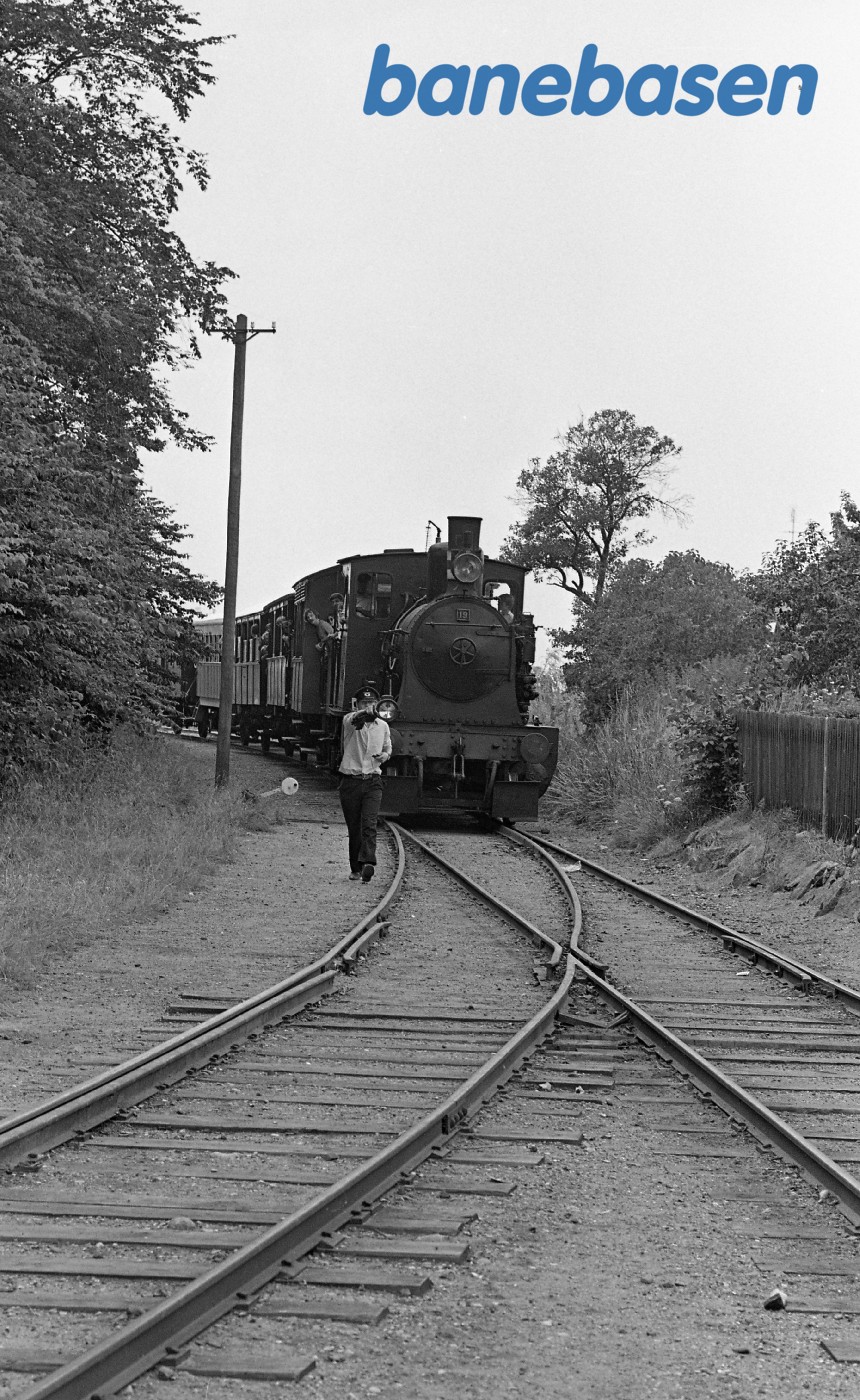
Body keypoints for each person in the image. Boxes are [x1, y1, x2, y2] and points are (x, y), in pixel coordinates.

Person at [338, 685, 392, 883]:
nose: (368, 705)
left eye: (371, 702)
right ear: (357, 704)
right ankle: (356, 868)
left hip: (372, 781)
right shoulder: (350, 722)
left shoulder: (383, 726)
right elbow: (353, 719)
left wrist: (384, 756)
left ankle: (368, 862)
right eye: (364, 702)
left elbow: (388, 748)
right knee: (355, 827)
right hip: (351, 781)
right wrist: (365, 712)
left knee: (369, 824)